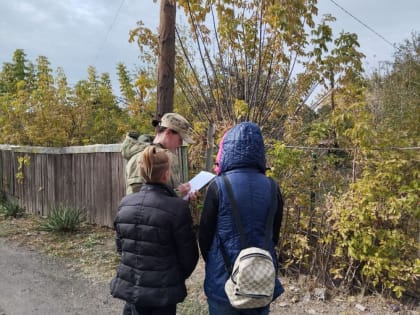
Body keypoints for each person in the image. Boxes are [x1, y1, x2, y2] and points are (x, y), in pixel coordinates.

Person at [199, 122, 284, 315]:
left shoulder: (218, 186)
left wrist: (215, 260)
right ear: (259, 151)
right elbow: (274, 235)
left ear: (227, 149)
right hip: (260, 281)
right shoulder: (272, 187)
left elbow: (204, 236)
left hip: (223, 280)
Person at [110, 145, 199, 315]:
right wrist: (173, 276)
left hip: (133, 288)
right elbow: (189, 256)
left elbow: (121, 247)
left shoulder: (125, 203)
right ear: (166, 174)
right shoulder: (178, 207)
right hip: (163, 293)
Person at [121, 112, 195, 196]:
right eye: (180, 139)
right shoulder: (145, 158)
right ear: (168, 132)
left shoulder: (160, 156)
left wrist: (184, 195)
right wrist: (178, 194)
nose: (181, 144)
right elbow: (142, 203)